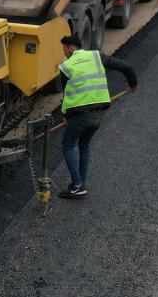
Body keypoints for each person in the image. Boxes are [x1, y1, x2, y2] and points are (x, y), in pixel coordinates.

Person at [55, 34, 137, 199]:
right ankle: (80, 184)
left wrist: (65, 115)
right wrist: (133, 84)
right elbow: (126, 67)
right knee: (84, 145)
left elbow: (66, 94)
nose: (64, 53)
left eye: (65, 50)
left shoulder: (65, 66)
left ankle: (78, 186)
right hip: (99, 112)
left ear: (71, 48)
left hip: (79, 114)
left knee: (67, 145)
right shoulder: (96, 56)